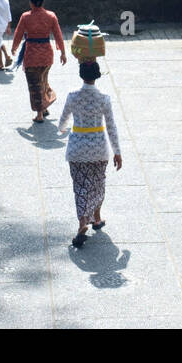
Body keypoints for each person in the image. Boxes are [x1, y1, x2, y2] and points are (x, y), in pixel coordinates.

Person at [58, 59, 122, 248]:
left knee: (81, 188)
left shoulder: (72, 97)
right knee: (97, 185)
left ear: (81, 75)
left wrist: (66, 129)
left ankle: (82, 222)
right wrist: (117, 152)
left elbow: (62, 124)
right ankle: (96, 218)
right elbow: (111, 127)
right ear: (97, 75)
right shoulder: (104, 99)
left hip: (77, 150)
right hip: (98, 149)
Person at [11, 0, 67, 122]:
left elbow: (18, 34)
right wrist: (63, 53)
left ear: (31, 3)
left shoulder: (26, 17)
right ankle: (45, 105)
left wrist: (14, 47)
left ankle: (39, 114)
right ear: (42, 2)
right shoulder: (51, 16)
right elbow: (58, 35)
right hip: (47, 55)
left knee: (34, 85)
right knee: (43, 81)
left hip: (31, 55)